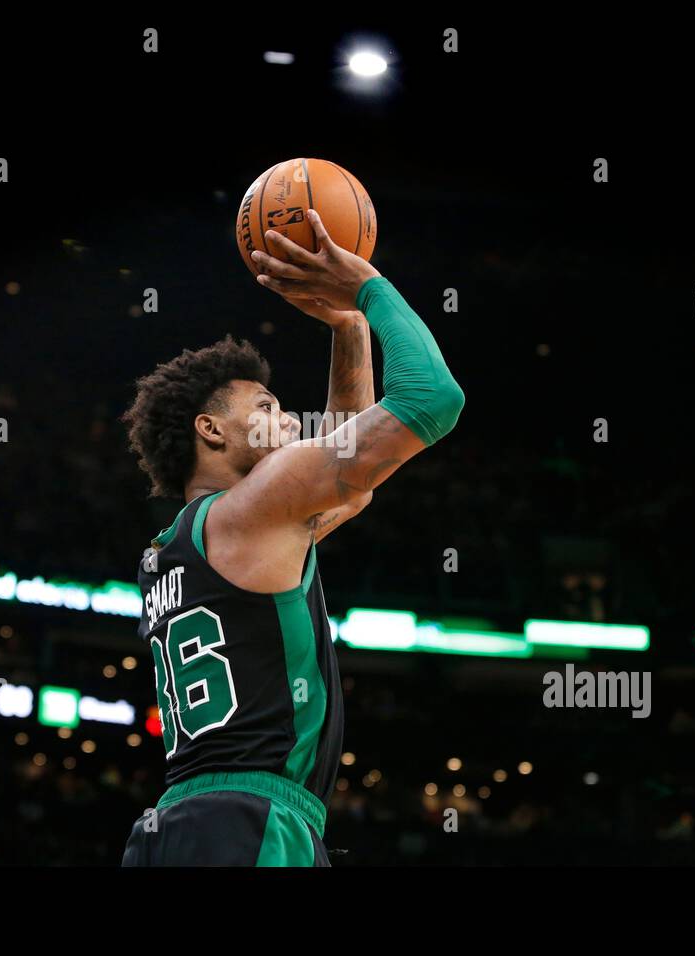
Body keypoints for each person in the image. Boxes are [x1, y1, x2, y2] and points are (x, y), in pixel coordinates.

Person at [120, 210, 464, 865]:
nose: (288, 418)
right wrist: (368, 286)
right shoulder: (256, 506)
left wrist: (348, 329)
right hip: (249, 824)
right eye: (267, 408)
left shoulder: (178, 545)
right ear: (211, 431)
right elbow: (433, 398)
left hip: (180, 824)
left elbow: (350, 481)